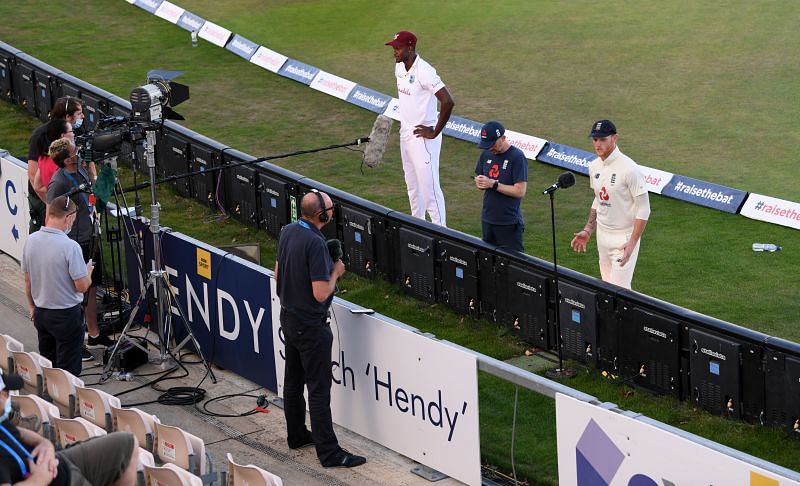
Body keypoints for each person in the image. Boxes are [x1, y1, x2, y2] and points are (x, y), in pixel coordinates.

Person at [274, 191, 366, 469]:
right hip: (310, 326)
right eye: (330, 208)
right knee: (318, 390)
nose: (332, 211)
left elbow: (277, 273)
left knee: (292, 381)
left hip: (288, 318)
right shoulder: (315, 243)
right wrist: (336, 271)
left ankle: (297, 435)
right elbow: (319, 292)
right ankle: (329, 453)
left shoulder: (288, 230)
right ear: (321, 215)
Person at [0, 373, 139, 485]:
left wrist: (44, 444)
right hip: (56, 479)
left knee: (128, 442)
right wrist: (40, 479)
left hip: (59, 463)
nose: (8, 397)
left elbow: (19, 433)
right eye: (5, 392)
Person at [46, 140, 114, 355]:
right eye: (75, 150)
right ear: (67, 160)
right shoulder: (58, 182)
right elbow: (52, 212)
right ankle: (77, 342)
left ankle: (93, 334)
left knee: (92, 289)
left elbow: (93, 194)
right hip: (74, 243)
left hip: (90, 236)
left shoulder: (82, 169)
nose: (79, 151)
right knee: (76, 294)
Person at [570, 120, 650, 289]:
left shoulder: (630, 169)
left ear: (615, 138)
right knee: (606, 290)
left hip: (624, 238)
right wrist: (588, 229)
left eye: (602, 139)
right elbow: (598, 198)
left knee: (619, 293)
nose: (597, 144)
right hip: (602, 236)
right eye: (594, 140)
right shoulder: (594, 166)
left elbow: (644, 209)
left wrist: (632, 243)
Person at [386, 30, 455, 227]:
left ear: (410, 48)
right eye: (393, 48)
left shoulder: (425, 71)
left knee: (430, 190)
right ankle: (418, 228)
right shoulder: (399, 67)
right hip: (406, 134)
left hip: (423, 138)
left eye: (398, 48)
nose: (395, 52)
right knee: (412, 188)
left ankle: (442, 234)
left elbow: (448, 101)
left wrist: (434, 132)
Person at [22, 195, 93, 376]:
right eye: (73, 220)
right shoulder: (70, 247)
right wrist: (88, 273)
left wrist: (32, 307)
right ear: (68, 218)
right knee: (67, 374)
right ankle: (64, 403)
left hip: (41, 313)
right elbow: (82, 286)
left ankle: (49, 401)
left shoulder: (31, 240)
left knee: (49, 368)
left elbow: (28, 280)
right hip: (66, 316)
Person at [26, 97, 85, 233]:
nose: (83, 116)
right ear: (68, 116)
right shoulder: (41, 135)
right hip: (45, 199)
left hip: (68, 196)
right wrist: (53, 203)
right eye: (79, 113)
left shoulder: (77, 132)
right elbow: (34, 176)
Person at [474, 121, 528, 252]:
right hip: (488, 219)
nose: (490, 148)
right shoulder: (485, 154)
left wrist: (493, 184)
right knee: (487, 261)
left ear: (503, 138)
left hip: (508, 222)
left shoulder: (517, 157)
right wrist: (480, 183)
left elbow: (520, 191)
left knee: (514, 264)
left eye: (492, 144)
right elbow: (480, 178)